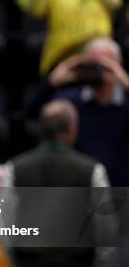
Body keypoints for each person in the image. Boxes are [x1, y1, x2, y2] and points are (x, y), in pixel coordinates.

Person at [3, 99, 117, 267]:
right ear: (73, 128)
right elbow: (105, 226)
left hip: (30, 266)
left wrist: (14, 261)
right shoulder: (91, 169)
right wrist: (99, 265)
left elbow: (5, 221)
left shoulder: (15, 168)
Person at [33, 37, 129, 186]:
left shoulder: (125, 103)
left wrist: (125, 82)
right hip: (79, 187)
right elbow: (35, 115)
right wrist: (52, 83)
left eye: (104, 65)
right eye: (91, 64)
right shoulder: (69, 101)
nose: (97, 71)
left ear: (119, 66)